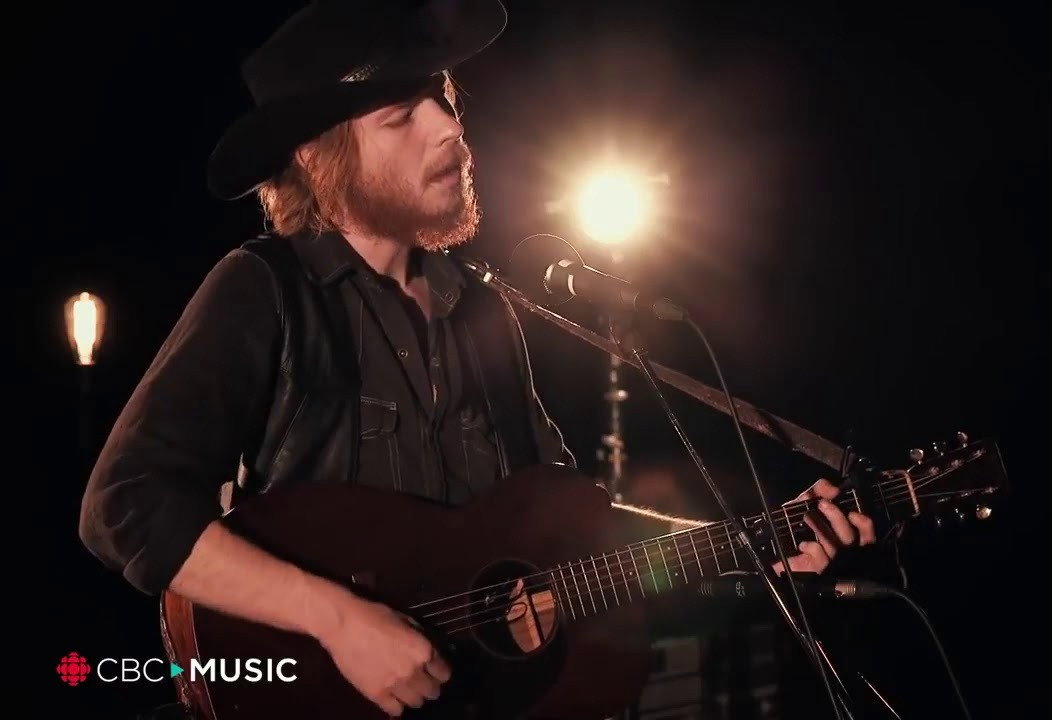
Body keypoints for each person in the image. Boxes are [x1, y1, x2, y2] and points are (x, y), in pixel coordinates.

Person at [76, 1, 876, 716]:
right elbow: (125, 507)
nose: (449, 127)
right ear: (321, 158)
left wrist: (758, 542)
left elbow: (577, 535)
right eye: (400, 115)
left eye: (444, 98)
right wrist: (341, 620)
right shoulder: (265, 290)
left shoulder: (488, 310)